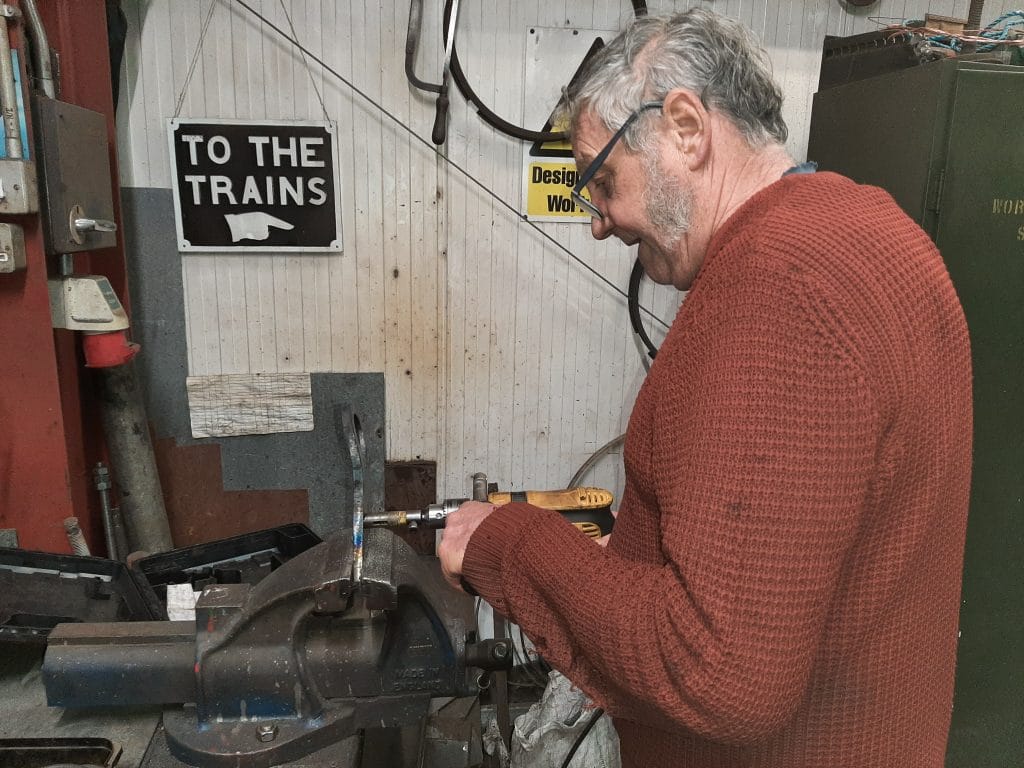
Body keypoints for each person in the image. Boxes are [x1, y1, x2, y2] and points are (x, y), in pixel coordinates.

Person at [438, 9, 973, 768]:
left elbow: (718, 673)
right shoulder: (877, 228)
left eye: (603, 182)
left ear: (685, 127)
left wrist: (505, 544)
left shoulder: (776, 287)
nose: (599, 224)